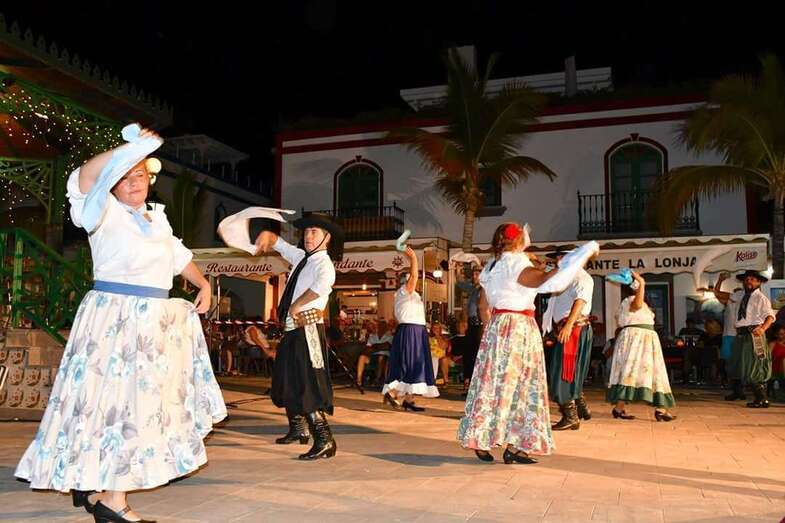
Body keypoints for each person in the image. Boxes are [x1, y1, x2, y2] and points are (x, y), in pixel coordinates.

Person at [15, 125, 227, 523]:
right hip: (115, 318)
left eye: (140, 174)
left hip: (152, 323)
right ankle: (109, 498)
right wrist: (129, 149)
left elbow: (178, 255)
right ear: (113, 183)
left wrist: (202, 284)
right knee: (114, 404)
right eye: (126, 176)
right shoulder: (104, 212)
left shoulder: (157, 220)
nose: (135, 182)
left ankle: (99, 490)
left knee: (131, 406)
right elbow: (83, 176)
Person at [457, 222, 558, 464]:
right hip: (520, 326)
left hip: (497, 326)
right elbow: (541, 279)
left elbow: (483, 306)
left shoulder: (491, 267)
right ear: (520, 241)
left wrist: (491, 332)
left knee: (492, 384)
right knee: (523, 384)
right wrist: (561, 267)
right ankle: (516, 445)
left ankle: (481, 438)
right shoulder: (518, 263)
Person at [253, 212, 344, 459]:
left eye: (314, 231)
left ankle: (325, 439)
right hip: (292, 330)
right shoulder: (303, 258)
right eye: (306, 232)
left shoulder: (324, 264)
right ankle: (298, 429)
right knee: (286, 380)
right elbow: (281, 246)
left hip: (309, 329)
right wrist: (269, 236)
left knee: (307, 383)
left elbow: (322, 286)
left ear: (327, 237)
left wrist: (297, 305)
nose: (308, 236)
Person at [606, 271, 676, 421]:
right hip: (637, 339)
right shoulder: (630, 300)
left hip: (644, 338)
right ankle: (660, 409)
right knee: (634, 372)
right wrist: (642, 283)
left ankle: (621, 409)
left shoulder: (641, 303)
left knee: (644, 372)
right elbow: (636, 306)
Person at [542, 247, 594, 431]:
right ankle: (579, 406)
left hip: (574, 328)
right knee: (568, 370)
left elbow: (581, 301)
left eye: (562, 257)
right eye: (557, 258)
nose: (558, 260)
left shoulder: (581, 277)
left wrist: (569, 325)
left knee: (564, 371)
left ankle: (571, 415)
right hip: (566, 328)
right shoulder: (563, 276)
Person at [383, 247, 439, 411]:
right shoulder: (403, 292)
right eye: (410, 281)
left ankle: (409, 399)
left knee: (416, 363)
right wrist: (413, 258)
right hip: (410, 331)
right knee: (409, 363)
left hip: (416, 331)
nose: (414, 283)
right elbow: (414, 276)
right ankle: (392, 393)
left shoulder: (411, 296)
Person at [714, 270, 775, 408]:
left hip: (754, 334)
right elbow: (718, 293)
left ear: (758, 282)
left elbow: (770, 316)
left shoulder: (761, 298)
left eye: (752, 279)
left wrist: (763, 329)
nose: (749, 281)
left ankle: (761, 398)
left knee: (755, 365)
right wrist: (720, 280)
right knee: (737, 363)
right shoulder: (739, 295)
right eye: (747, 279)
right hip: (740, 335)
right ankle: (739, 392)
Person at [457, 266, 483, 391]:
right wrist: (458, 269)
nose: (474, 277)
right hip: (471, 324)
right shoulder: (473, 289)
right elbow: (459, 283)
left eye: (477, 274)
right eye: (473, 274)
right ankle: (468, 379)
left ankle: (478, 382)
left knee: (479, 353)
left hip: (481, 325)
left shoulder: (485, 289)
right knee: (468, 353)